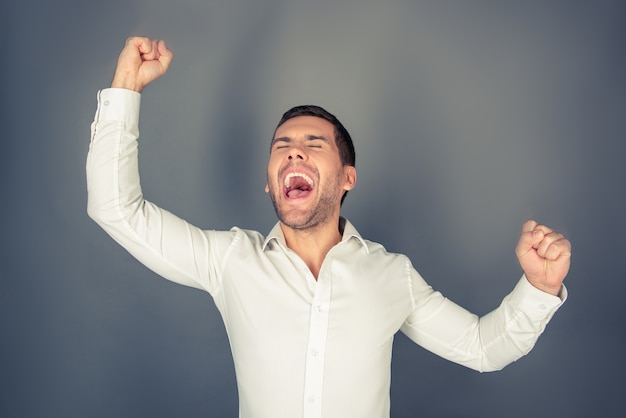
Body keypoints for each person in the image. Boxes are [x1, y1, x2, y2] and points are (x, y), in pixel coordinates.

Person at [87, 37, 571, 418]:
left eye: (313, 143)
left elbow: (484, 348)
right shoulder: (229, 260)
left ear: (346, 178)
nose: (294, 151)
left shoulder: (392, 275)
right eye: (282, 145)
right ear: (269, 183)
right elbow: (116, 209)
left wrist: (539, 287)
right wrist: (126, 88)